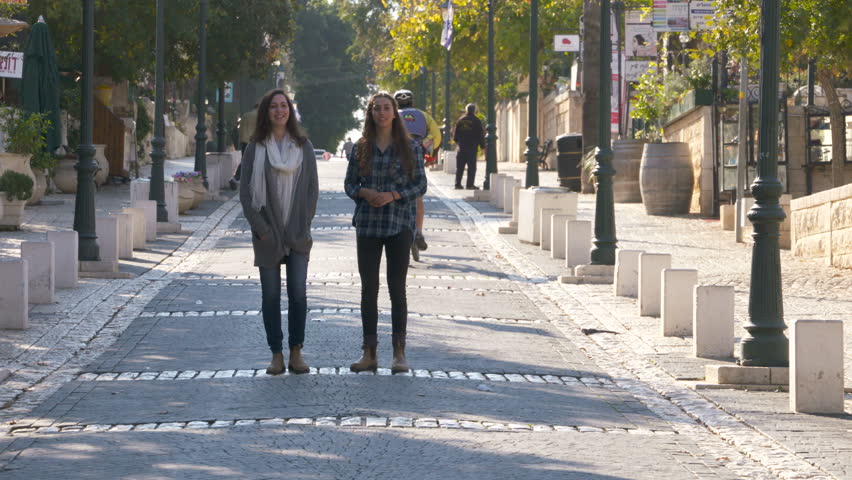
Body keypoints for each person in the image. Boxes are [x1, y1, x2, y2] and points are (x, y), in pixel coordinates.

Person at [343, 92, 427, 374]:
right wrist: (363, 192)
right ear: (370, 113)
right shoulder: (360, 147)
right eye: (376, 108)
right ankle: (369, 352)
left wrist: (393, 194)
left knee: (396, 288)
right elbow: (349, 184)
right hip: (368, 224)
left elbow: (420, 186)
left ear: (394, 113)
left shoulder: (410, 148)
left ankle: (399, 353)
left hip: (398, 224)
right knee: (369, 289)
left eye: (386, 108)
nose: (381, 113)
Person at [239, 89, 319, 375]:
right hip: (267, 235)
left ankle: (296, 352)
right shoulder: (255, 148)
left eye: (283, 105)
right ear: (266, 112)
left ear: (290, 111)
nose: (279, 111)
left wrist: (304, 224)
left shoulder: (303, 146)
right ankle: (276, 354)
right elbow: (246, 194)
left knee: (298, 294)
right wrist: (261, 229)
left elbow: (312, 191)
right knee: (270, 296)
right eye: (273, 106)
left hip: (297, 234)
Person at [393, 89, 441, 262]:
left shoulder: (393, 114)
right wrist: (429, 153)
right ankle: (419, 231)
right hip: (417, 155)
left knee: (395, 191)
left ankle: (395, 228)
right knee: (417, 195)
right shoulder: (423, 115)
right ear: (412, 101)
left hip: (396, 155)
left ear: (396, 102)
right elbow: (437, 135)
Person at [452, 103, 485, 190]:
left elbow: (455, 137)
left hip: (461, 148)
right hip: (472, 149)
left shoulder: (460, 120)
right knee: (471, 168)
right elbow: (480, 135)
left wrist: (460, 142)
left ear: (466, 110)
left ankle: (457, 184)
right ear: (474, 111)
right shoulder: (477, 121)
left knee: (459, 168)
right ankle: (470, 185)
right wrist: (483, 147)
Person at [230, 104, 258, 190]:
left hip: (244, 141)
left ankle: (237, 179)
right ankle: (238, 178)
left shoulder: (246, 115)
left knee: (245, 160)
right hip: (254, 141)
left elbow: (240, 129)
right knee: (253, 161)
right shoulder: (259, 116)